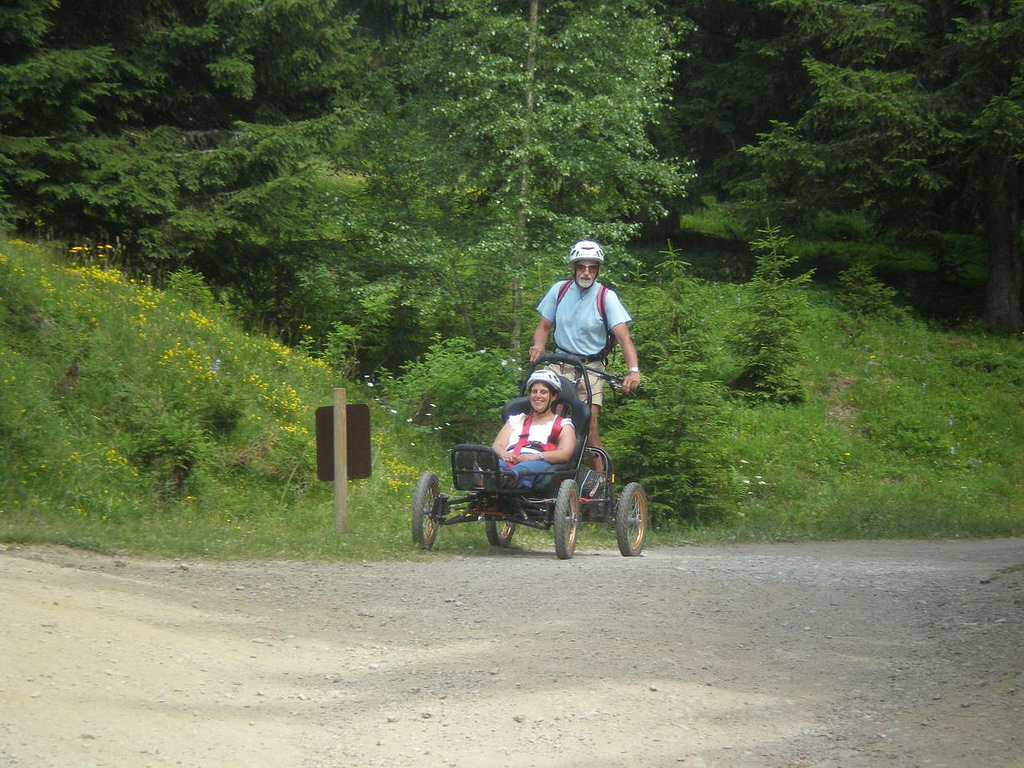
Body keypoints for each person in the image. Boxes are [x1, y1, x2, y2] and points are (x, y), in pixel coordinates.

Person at [529, 240, 640, 472]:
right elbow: (543, 327)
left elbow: (624, 338)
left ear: (598, 270)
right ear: (574, 268)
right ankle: (545, 478)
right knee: (547, 420)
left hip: (591, 367)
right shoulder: (559, 290)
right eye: (581, 267)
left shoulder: (606, 297)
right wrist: (538, 346)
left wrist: (633, 371)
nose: (586, 272)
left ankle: (600, 485)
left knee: (589, 428)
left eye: (592, 267)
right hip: (558, 363)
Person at [491, 369, 576, 489]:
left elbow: (565, 453)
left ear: (554, 396)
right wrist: (505, 454)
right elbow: (497, 445)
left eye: (543, 392)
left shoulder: (563, 424)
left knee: (522, 470)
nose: (538, 395)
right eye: (534, 391)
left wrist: (535, 456)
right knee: (492, 465)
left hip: (537, 462)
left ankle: (504, 478)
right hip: (508, 460)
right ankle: (488, 475)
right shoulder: (516, 420)